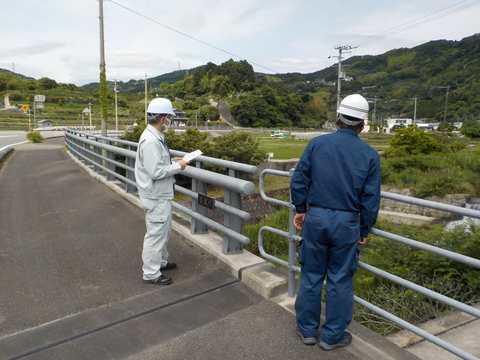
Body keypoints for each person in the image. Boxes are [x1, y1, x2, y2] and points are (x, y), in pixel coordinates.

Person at [290, 94, 381, 350]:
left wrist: (300, 209)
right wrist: (365, 229)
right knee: (340, 279)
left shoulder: (317, 144)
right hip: (348, 221)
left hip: (316, 217)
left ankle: (307, 331)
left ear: (337, 118)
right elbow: (370, 199)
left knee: (311, 274)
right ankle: (332, 337)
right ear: (362, 124)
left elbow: (298, 181)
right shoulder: (370, 155)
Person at [135, 98, 189, 285]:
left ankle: (161, 262)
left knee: (164, 231)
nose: (171, 121)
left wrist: (171, 161)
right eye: (170, 117)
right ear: (163, 118)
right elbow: (156, 172)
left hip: (159, 194)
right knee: (156, 234)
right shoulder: (151, 140)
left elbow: (157, 164)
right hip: (155, 195)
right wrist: (179, 166)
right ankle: (151, 273)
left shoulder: (155, 136)